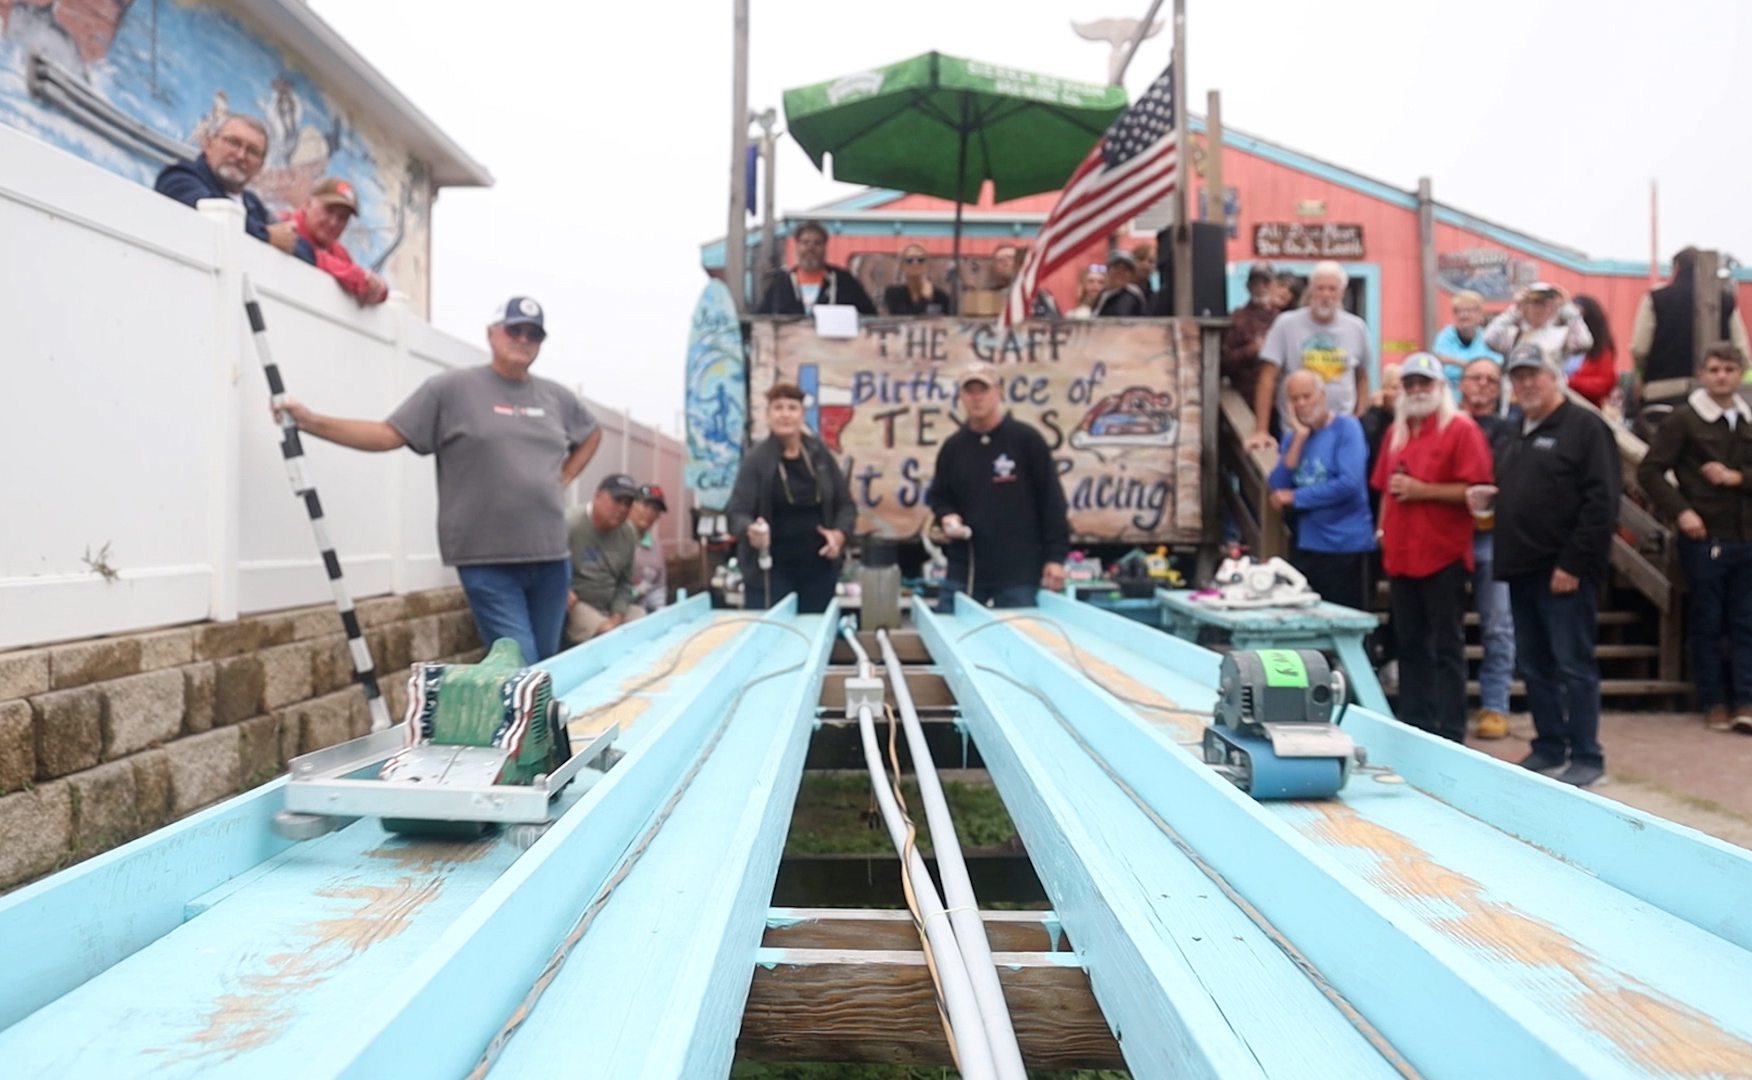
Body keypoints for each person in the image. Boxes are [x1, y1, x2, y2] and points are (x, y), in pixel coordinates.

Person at [274, 297, 600, 662]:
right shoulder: (451, 390)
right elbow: (386, 434)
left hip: (551, 558)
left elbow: (591, 433)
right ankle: (515, 720)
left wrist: (567, 474)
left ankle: (530, 721)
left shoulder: (555, 397)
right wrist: (311, 421)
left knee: (546, 664)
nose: (523, 339)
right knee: (518, 662)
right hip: (487, 561)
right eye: (514, 330)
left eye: (533, 334)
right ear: (492, 334)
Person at [1494, 348, 1620, 786]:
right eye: (1519, 376)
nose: (1527, 384)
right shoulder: (1516, 431)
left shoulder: (1586, 428)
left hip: (1564, 572)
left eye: (1535, 375)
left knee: (1573, 664)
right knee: (1534, 665)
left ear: (1555, 377)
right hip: (1520, 568)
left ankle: (1588, 755)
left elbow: (1601, 504)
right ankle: (1549, 746)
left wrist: (1574, 562)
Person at [1370, 353, 1495, 743]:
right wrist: (1381, 530)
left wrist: (1423, 491)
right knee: (1409, 645)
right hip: (1402, 554)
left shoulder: (1462, 429)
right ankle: (1415, 727)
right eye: (1411, 383)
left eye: (1425, 382)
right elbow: (1385, 488)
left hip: (1444, 554)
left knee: (1446, 646)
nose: (1418, 390)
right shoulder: (1397, 431)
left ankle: (1451, 731)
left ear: (1441, 387)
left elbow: (1479, 492)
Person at [1637, 343, 1752, 734]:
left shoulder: (1747, 419)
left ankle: (1745, 700)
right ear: (1703, 374)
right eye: (1715, 369)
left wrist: (1739, 478)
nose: (1723, 376)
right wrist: (1681, 511)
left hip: (1746, 534)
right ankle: (1713, 700)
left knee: (1745, 622)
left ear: (1741, 373)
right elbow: (1650, 470)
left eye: (1730, 369)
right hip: (1704, 535)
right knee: (1707, 620)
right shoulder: (1685, 420)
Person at [929, 361, 1070, 610]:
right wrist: (947, 516)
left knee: (1019, 641)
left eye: (983, 390)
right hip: (966, 570)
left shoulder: (1026, 440)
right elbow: (939, 496)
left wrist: (1055, 557)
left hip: (1018, 574)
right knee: (949, 636)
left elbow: (1052, 502)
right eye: (969, 391)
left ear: (998, 392)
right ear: (960, 396)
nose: (977, 398)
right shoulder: (953, 448)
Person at [726, 383, 855, 613]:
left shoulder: (819, 455)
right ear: (768, 415)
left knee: (813, 639)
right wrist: (750, 530)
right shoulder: (756, 460)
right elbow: (736, 511)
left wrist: (839, 534)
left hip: (818, 571)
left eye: (792, 408)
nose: (785, 414)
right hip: (769, 572)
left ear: (802, 415)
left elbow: (846, 506)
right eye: (778, 408)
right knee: (772, 640)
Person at [1268, 370, 1374, 611]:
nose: (1302, 404)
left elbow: (1349, 483)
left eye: (1307, 396)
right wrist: (1299, 438)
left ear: (1322, 396)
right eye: (1295, 399)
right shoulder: (1291, 438)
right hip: (1307, 545)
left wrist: (1297, 497)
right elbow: (1276, 486)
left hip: (1346, 547)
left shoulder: (1347, 428)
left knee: (1348, 623)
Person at [154, 114, 312, 263]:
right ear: (208, 144)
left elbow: (304, 251)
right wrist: (266, 236)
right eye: (233, 142)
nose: (241, 155)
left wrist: (285, 238)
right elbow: (212, 211)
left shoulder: (253, 204)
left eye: (252, 151)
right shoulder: (180, 177)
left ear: (260, 166)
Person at [1251, 261, 1372, 450]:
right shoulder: (1285, 324)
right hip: (1296, 431)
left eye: (1332, 289)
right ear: (1310, 290)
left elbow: (1362, 377)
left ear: (1342, 292)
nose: (1326, 295)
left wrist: (1358, 419)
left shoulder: (1357, 328)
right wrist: (1261, 430)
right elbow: (1267, 377)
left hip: (1341, 433)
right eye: (1320, 288)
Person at [1458, 356, 1517, 739]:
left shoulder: (1512, 430)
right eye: (1474, 378)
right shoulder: (1446, 423)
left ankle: (1494, 704)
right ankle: (1448, 701)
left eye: (1490, 380)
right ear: (1460, 384)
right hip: (1449, 533)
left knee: (1498, 625)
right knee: (1444, 627)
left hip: (1494, 536)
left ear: (1498, 389)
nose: (1481, 385)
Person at [1631, 247, 1751, 407]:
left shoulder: (1655, 299)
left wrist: (1642, 373)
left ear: (1676, 268)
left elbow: (1639, 348)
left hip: (1664, 390)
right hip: (1713, 395)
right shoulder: (1726, 300)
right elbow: (1741, 349)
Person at [282, 177, 389, 305]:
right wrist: (359, 278)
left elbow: (368, 286)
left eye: (343, 218)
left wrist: (378, 287)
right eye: (329, 210)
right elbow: (305, 253)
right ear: (307, 204)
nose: (334, 222)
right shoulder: (281, 223)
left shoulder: (338, 252)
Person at [564, 474, 644, 642]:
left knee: (642, 620)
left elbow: (625, 582)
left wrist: (616, 617)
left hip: (609, 604)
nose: (622, 508)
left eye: (628, 503)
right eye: (617, 500)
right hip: (575, 604)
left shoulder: (628, 533)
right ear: (597, 496)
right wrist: (560, 588)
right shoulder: (569, 524)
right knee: (606, 632)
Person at [755, 221, 876, 315]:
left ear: (825, 247)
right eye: (805, 242)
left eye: (817, 243)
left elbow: (869, 315)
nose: (811, 247)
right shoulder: (781, 283)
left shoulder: (843, 281)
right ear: (796, 246)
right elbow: (761, 319)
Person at [1483, 282, 1592, 379]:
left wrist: (1567, 307)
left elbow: (1583, 343)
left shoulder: (1561, 333)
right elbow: (1490, 338)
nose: (1539, 308)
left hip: (1551, 393)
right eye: (1534, 303)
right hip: (1517, 392)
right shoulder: (1513, 334)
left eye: (1545, 304)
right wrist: (1516, 309)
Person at [1221, 263, 1279, 428]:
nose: (1260, 287)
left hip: (1280, 403)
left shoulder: (1283, 320)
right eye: (1255, 283)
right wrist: (1249, 351)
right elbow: (1221, 364)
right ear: (1248, 286)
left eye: (1265, 283)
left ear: (1274, 285)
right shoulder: (1235, 319)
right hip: (1247, 401)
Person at [1431, 290, 1502, 393]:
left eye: (1470, 311)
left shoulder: (1488, 337)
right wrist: (1474, 367)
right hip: (1450, 397)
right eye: (1459, 311)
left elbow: (1494, 367)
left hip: (1482, 394)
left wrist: (1457, 363)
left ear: (1480, 313)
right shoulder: (1446, 335)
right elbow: (1439, 358)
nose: (1464, 315)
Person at [1565, 295, 1619, 407]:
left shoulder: (1600, 351)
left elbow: (1604, 384)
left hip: (1585, 409)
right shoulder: (1559, 346)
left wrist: (1570, 382)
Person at [991, 243, 1061, 318]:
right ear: (994, 267)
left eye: (1010, 258)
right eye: (1000, 260)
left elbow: (1055, 322)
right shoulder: (988, 296)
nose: (1005, 262)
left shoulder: (1042, 296)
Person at [631, 483, 670, 614]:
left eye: (655, 509)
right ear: (632, 505)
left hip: (641, 611)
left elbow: (658, 590)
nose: (649, 513)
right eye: (645, 505)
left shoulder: (656, 547)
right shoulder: (614, 536)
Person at [883, 243, 954, 315]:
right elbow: (902, 316)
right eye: (909, 260)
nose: (915, 263)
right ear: (901, 266)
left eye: (920, 260)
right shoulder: (893, 293)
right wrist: (925, 299)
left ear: (927, 265)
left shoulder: (940, 296)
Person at [1093, 251, 1148, 317]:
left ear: (1131, 275)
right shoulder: (1104, 294)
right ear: (1108, 270)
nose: (1120, 272)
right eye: (1116, 268)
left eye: (1125, 269)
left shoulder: (1130, 297)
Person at [1131, 240, 1158, 308]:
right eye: (1141, 259)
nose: (1145, 264)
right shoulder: (1123, 289)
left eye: (1151, 261)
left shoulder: (1153, 293)